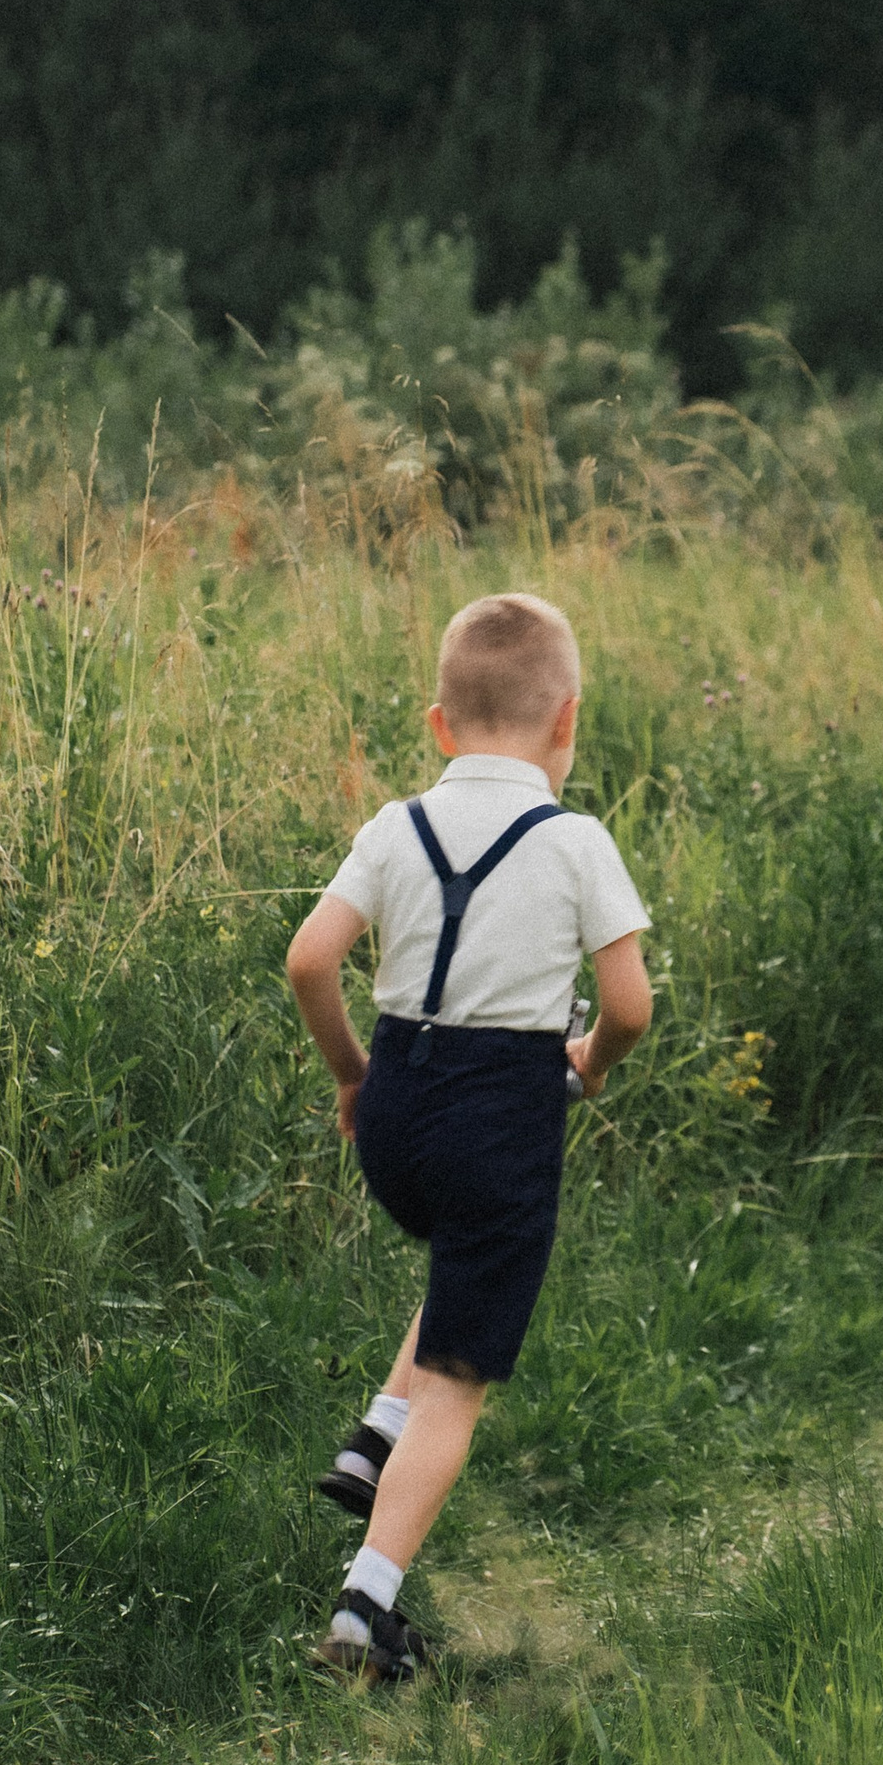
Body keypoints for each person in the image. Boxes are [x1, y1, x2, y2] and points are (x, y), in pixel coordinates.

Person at [285, 590, 652, 1681]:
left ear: (438, 724)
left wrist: (354, 1074)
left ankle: (375, 1431)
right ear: (567, 721)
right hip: (502, 1114)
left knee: (456, 1257)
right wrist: (584, 1066)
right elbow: (627, 1005)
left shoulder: (394, 825)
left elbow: (311, 959)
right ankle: (368, 1602)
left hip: (396, 1102)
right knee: (462, 1370)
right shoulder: (576, 841)